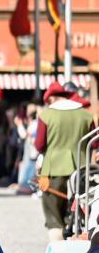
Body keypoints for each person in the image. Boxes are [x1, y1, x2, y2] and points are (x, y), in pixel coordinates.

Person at [35, 82, 93, 242]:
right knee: (77, 208)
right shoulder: (86, 115)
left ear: (52, 98)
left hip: (53, 170)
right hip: (82, 170)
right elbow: (95, 144)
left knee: (53, 213)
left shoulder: (47, 115)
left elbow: (39, 144)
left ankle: (58, 246)